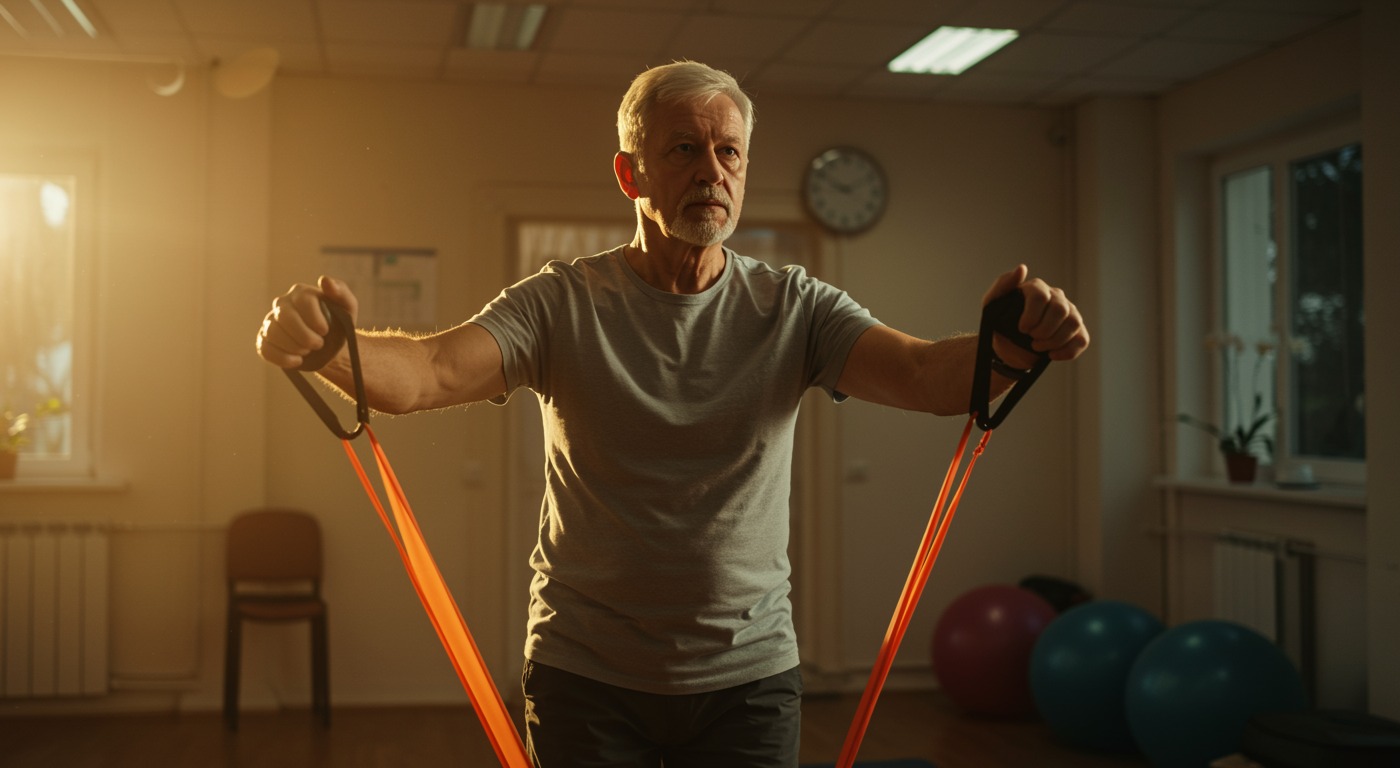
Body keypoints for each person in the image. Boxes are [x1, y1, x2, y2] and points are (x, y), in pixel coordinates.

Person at [255, 60, 1088, 767]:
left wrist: (1007, 343)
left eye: (728, 152)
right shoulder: (561, 303)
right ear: (632, 173)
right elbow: (430, 370)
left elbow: (920, 375)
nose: (711, 173)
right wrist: (332, 346)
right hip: (587, 678)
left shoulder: (792, 306)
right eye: (684, 150)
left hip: (751, 681)